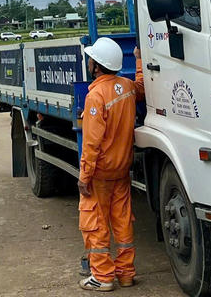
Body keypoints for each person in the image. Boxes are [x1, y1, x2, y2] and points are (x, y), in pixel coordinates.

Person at [77, 38, 144, 291]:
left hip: (101, 172)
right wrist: (138, 59)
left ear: (97, 66)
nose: (89, 61)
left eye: (91, 59)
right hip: (122, 169)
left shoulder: (95, 96)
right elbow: (141, 86)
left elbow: (91, 143)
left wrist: (84, 176)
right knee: (123, 221)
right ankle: (126, 274)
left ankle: (103, 277)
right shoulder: (126, 87)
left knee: (95, 223)